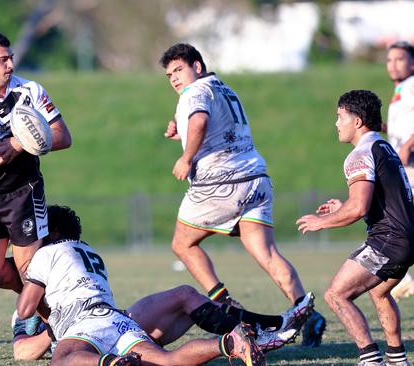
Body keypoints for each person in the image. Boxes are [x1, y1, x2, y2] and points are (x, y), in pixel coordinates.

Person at [158, 43, 324, 344]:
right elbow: (218, 128)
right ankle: (309, 314)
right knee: (267, 253)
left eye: (179, 70)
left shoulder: (193, 93)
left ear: (197, 66)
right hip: (256, 179)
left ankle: (225, 303)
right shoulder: (224, 88)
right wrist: (181, 134)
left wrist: (186, 157)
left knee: (182, 244)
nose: (174, 79)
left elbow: (200, 120)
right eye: (169, 74)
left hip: (220, 183)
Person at [16, 205, 276, 366]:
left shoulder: (45, 254)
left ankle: (113, 364)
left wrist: (24, 279)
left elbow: (27, 308)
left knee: (62, 360)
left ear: (55, 232)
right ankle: (230, 343)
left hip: (84, 321)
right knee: (166, 360)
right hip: (116, 319)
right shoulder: (89, 251)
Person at [297, 90, 414, 366]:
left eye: (340, 117)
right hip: (407, 239)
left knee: (336, 295)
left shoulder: (359, 155)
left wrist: (321, 222)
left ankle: (369, 358)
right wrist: (342, 206)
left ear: (358, 121)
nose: (336, 123)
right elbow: (383, 201)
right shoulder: (384, 147)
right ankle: (397, 358)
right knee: (379, 291)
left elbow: (359, 207)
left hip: (388, 241)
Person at [0, 31, 71, 295]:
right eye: (3, 60)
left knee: (29, 268)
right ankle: (41, 295)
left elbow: (64, 135)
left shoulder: (31, 90)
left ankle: (41, 322)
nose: (10, 64)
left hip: (24, 192)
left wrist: (19, 144)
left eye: (11, 58)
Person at [12, 283, 314, 361]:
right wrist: (60, 327)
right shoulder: (27, 304)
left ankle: (266, 327)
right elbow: (22, 352)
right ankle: (249, 337)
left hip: (118, 326)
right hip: (96, 341)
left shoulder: (69, 277)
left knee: (185, 296)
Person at [385, 41, 414, 302]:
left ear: (412, 63)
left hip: (411, 165)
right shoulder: (401, 90)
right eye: (390, 59)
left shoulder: (412, 85)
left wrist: (407, 144)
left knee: (397, 217)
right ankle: (403, 280)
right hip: (403, 165)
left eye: (400, 59)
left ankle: (403, 280)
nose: (393, 64)